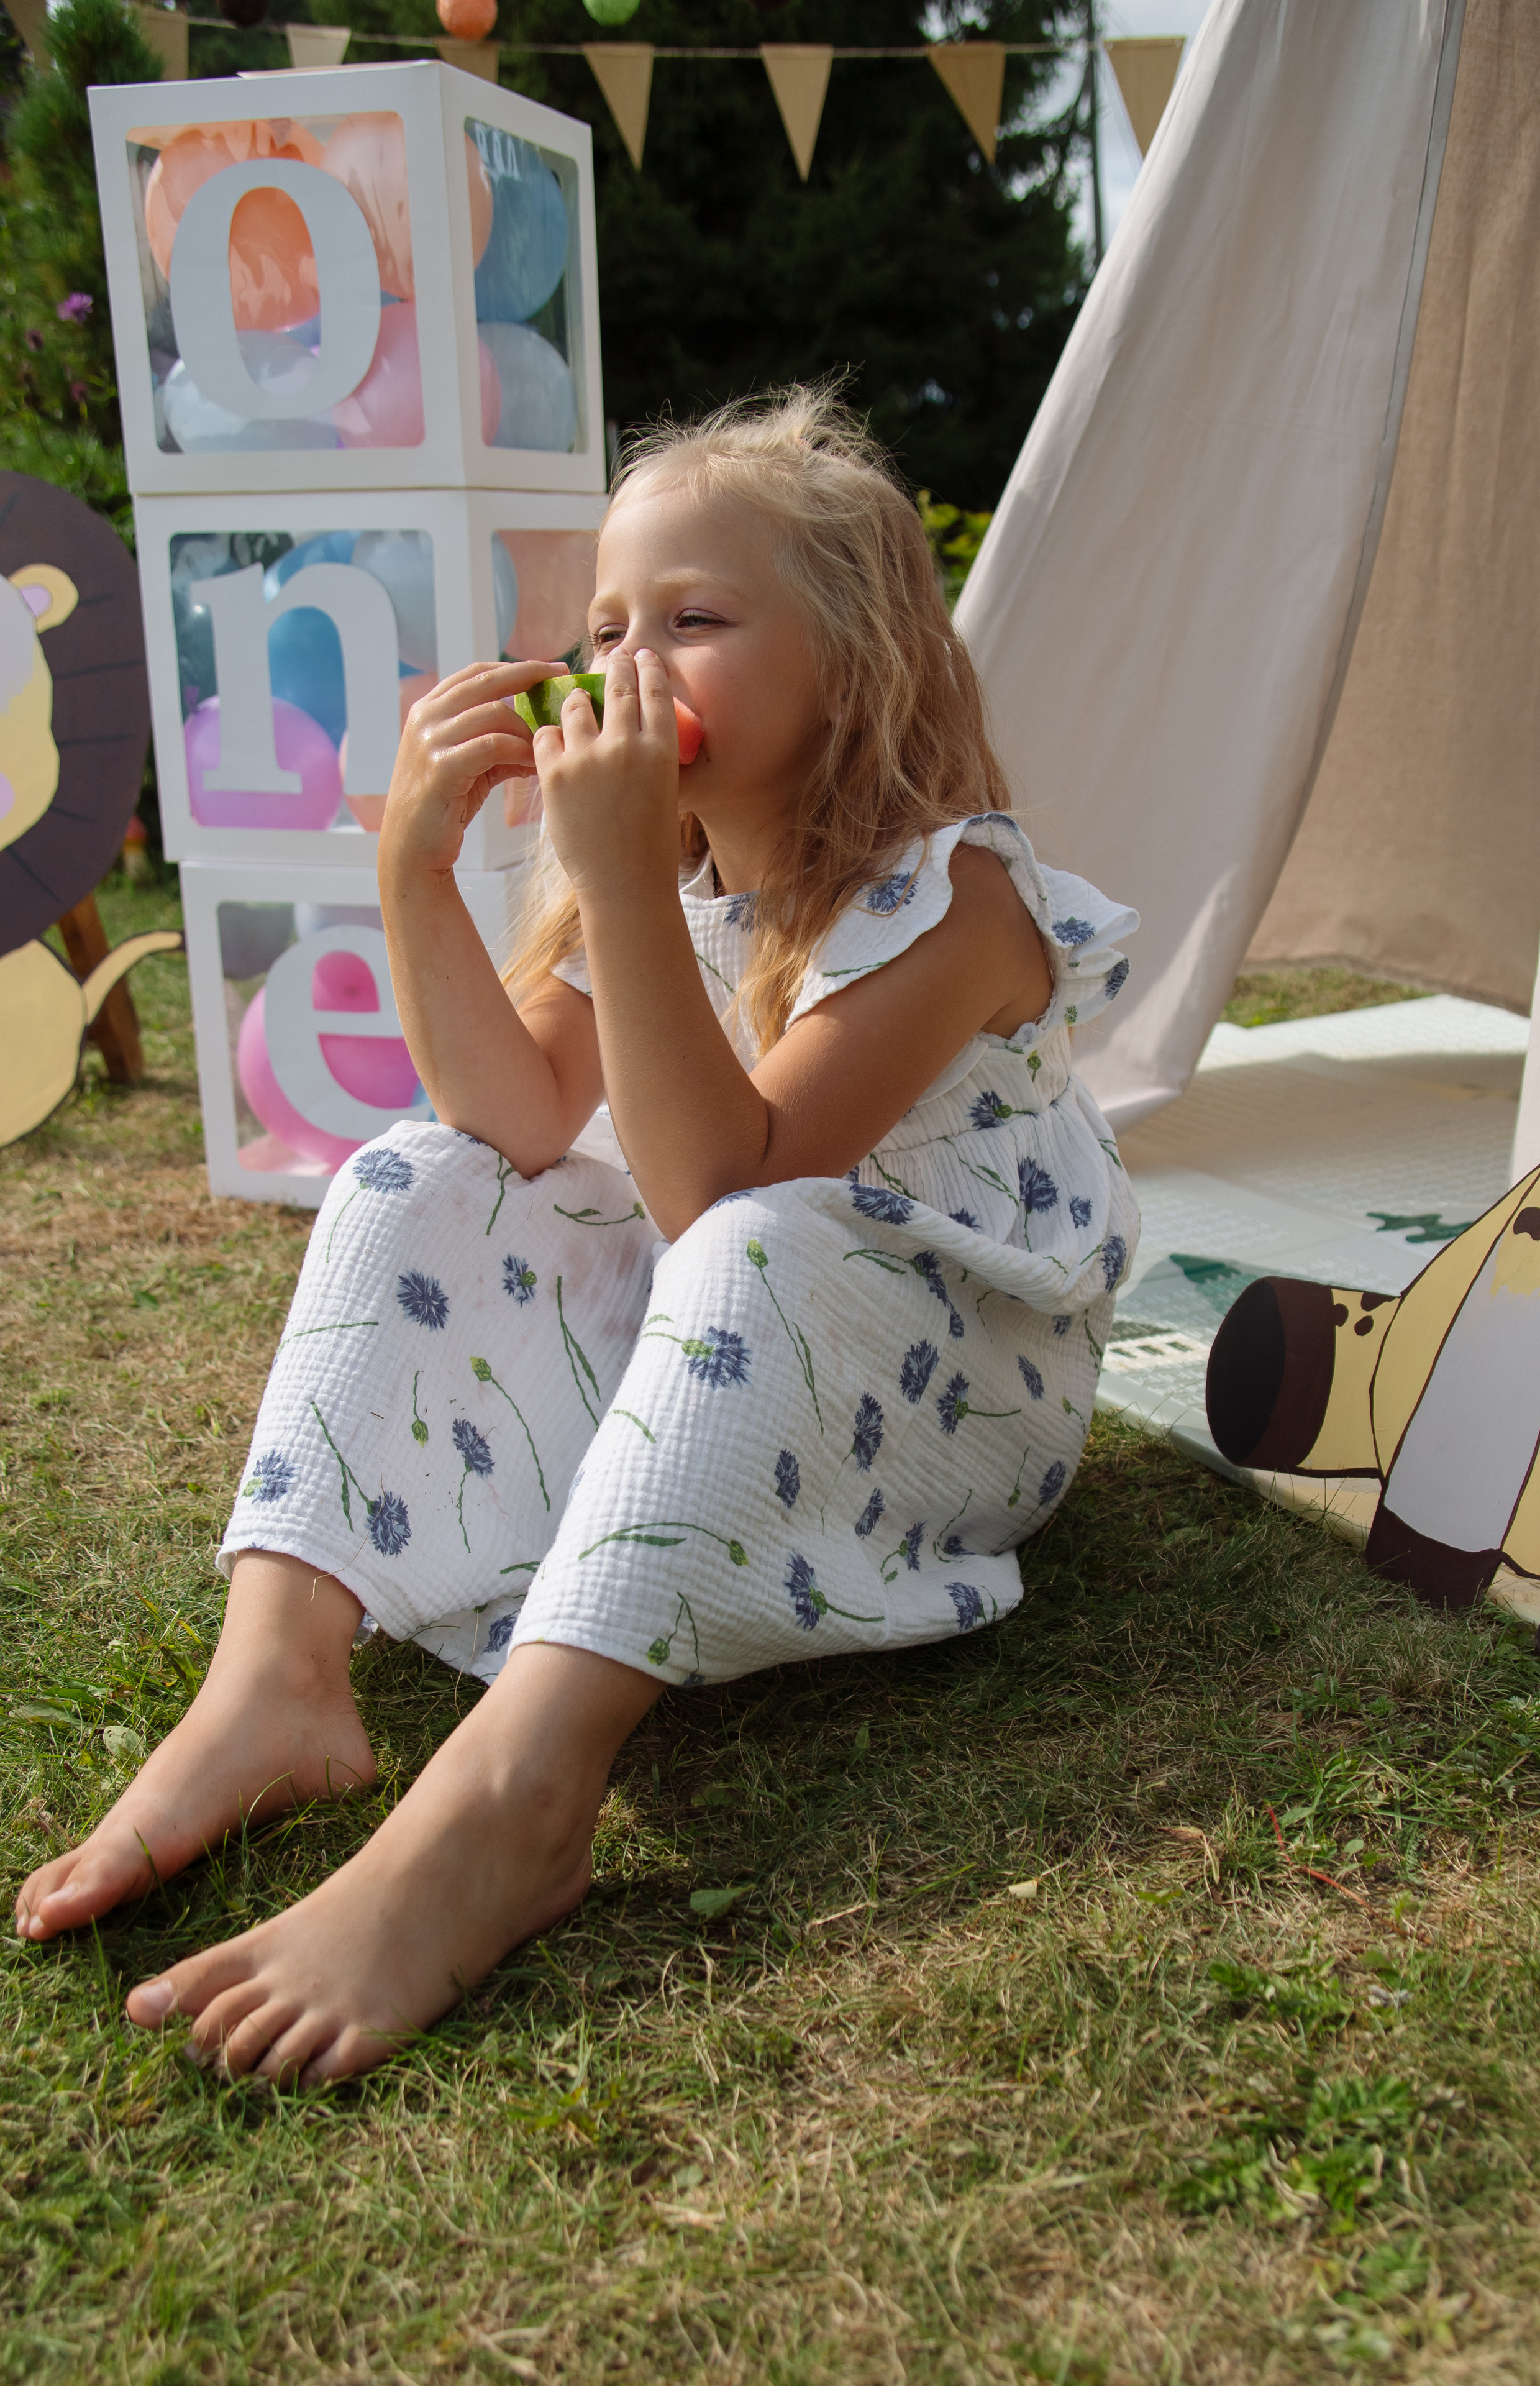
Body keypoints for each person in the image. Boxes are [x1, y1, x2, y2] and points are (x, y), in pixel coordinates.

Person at [13, 388, 1139, 2084]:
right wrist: (415, 864)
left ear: (858, 659)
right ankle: (280, 1673)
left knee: (745, 1242)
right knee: (411, 1174)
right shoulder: (664, 874)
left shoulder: (951, 891)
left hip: (956, 1389)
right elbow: (512, 1121)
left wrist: (615, 881)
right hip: (755, 1333)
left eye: (694, 621)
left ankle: (518, 1795)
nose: (628, 662)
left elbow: (725, 1194)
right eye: (608, 625)